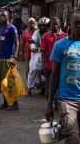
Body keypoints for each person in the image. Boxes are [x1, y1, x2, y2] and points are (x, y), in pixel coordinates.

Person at [45, 10, 80, 143]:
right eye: (76, 23)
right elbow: (54, 75)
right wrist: (49, 104)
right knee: (73, 137)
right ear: (69, 24)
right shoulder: (60, 45)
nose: (79, 26)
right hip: (66, 100)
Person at [0, 10, 19, 110]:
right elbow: (0, 43)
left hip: (8, 59)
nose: (2, 18)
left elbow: (17, 42)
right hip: (1, 58)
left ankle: (15, 104)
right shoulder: (1, 29)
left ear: (8, 17)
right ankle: (5, 103)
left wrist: (15, 57)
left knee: (10, 82)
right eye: (1, 17)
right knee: (2, 82)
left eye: (4, 16)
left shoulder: (12, 28)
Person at [40, 16, 67, 99]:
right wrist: (43, 64)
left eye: (57, 24)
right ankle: (49, 103)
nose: (55, 26)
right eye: (53, 24)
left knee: (60, 87)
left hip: (61, 66)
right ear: (50, 25)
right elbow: (43, 51)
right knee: (49, 86)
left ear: (60, 25)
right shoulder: (46, 36)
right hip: (49, 66)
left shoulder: (65, 36)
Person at [27, 17, 50, 97]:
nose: (43, 28)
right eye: (42, 26)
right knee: (33, 70)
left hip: (49, 54)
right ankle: (29, 89)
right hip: (38, 53)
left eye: (45, 26)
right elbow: (33, 43)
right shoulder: (37, 33)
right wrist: (34, 48)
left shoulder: (50, 33)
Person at [20, 17, 37, 82]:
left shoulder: (37, 32)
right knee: (28, 69)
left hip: (36, 53)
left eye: (33, 23)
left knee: (35, 69)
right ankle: (28, 82)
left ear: (35, 24)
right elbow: (22, 43)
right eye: (30, 23)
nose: (31, 25)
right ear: (28, 24)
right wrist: (22, 54)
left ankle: (35, 82)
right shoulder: (25, 32)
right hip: (27, 54)